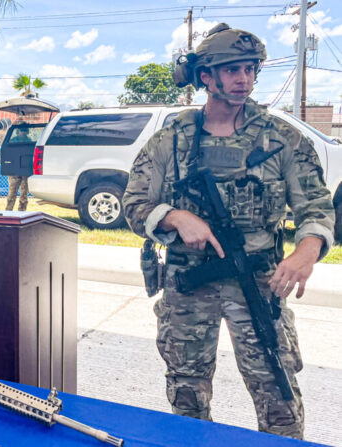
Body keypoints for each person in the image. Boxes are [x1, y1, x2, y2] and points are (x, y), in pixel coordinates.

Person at [122, 23, 335, 439]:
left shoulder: (282, 139)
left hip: (257, 279)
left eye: (251, 69)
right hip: (188, 282)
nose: (244, 79)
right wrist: (174, 217)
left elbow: (316, 206)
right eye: (233, 69)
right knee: (186, 394)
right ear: (206, 77)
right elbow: (134, 202)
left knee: (278, 392)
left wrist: (306, 251)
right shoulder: (172, 139)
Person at [6, 124, 31, 211]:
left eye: (25, 131)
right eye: (21, 130)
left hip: (25, 170)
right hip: (14, 170)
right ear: (18, 131)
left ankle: (22, 211)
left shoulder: (29, 141)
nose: (23, 132)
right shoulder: (13, 140)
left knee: (24, 194)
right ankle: (8, 212)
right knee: (12, 194)